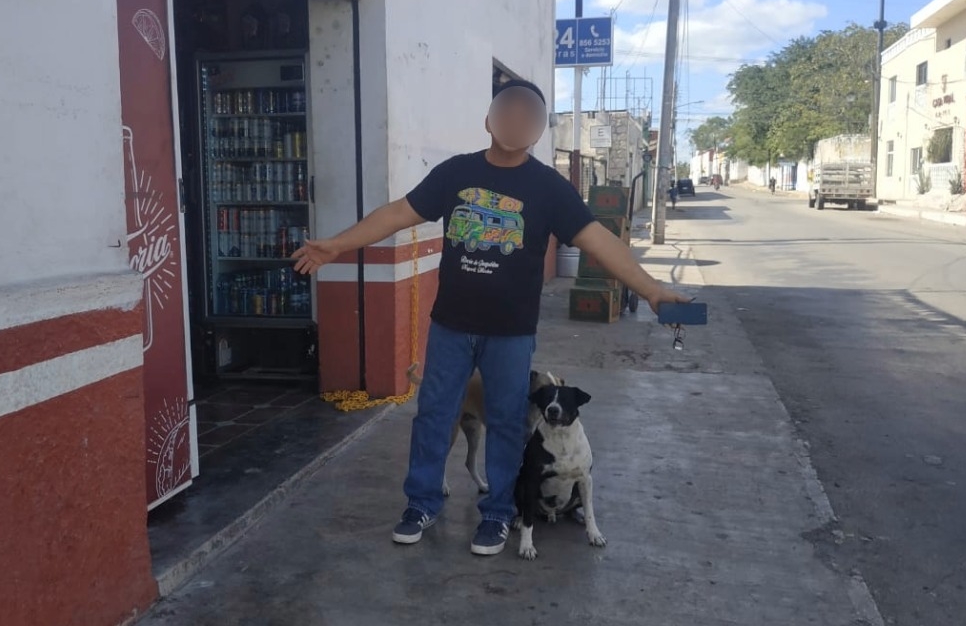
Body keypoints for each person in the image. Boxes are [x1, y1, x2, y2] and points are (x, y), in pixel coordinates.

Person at [291, 79, 689, 556]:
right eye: (509, 110)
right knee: (435, 415)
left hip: (512, 334)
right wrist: (337, 243)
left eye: (530, 115)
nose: (518, 119)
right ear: (488, 120)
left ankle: (499, 513)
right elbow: (398, 214)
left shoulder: (549, 188)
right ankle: (421, 503)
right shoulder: (455, 173)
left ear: (539, 130)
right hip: (451, 325)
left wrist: (650, 290)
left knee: (506, 423)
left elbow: (598, 241)